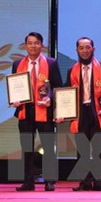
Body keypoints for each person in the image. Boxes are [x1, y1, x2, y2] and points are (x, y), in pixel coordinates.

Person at [12, 32, 63, 191]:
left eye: (36, 43)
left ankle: (49, 181)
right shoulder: (17, 64)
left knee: (48, 146)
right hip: (25, 111)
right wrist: (15, 99)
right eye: (30, 43)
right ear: (25, 46)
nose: (33, 46)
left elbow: (57, 87)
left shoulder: (51, 63)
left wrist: (50, 98)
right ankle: (28, 181)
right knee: (27, 147)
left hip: (45, 110)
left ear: (42, 45)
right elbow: (14, 86)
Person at [63, 37, 101, 191]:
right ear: (77, 50)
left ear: (93, 49)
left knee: (98, 149)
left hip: (98, 111)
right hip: (80, 112)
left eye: (88, 47)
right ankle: (84, 182)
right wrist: (62, 110)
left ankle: (99, 182)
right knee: (82, 149)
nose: (85, 50)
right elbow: (66, 92)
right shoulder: (71, 70)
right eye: (81, 48)